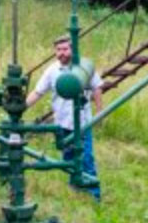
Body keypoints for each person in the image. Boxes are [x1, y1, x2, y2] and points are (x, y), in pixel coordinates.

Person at [27, 34, 103, 198]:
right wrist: (22, 106)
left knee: (86, 157)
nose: (62, 53)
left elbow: (97, 87)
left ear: (72, 49)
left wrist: (99, 112)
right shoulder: (52, 70)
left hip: (82, 123)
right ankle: (75, 188)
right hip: (61, 123)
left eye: (65, 49)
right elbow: (38, 91)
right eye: (58, 50)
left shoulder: (83, 67)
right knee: (68, 158)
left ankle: (94, 194)